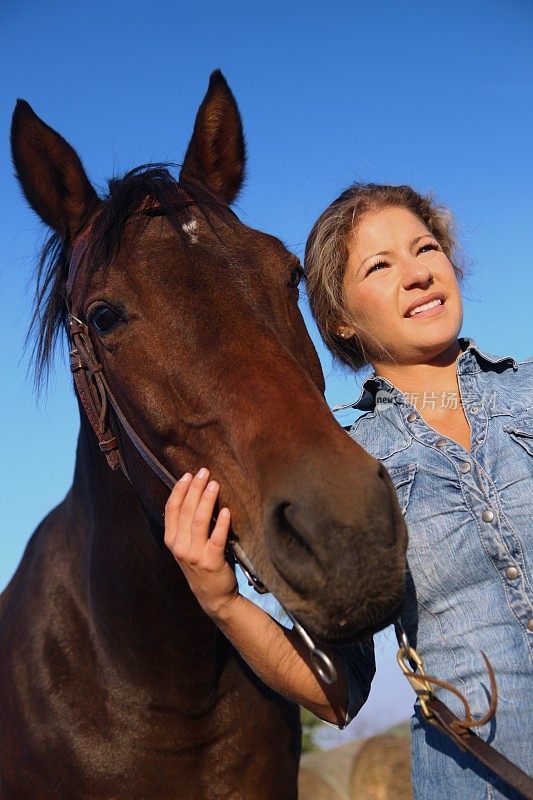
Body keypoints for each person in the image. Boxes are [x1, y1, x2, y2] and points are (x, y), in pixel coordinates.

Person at [163, 183, 533, 799]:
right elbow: (339, 694)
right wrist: (222, 600)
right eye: (380, 265)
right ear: (339, 318)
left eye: (427, 248)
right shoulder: (347, 464)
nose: (417, 274)